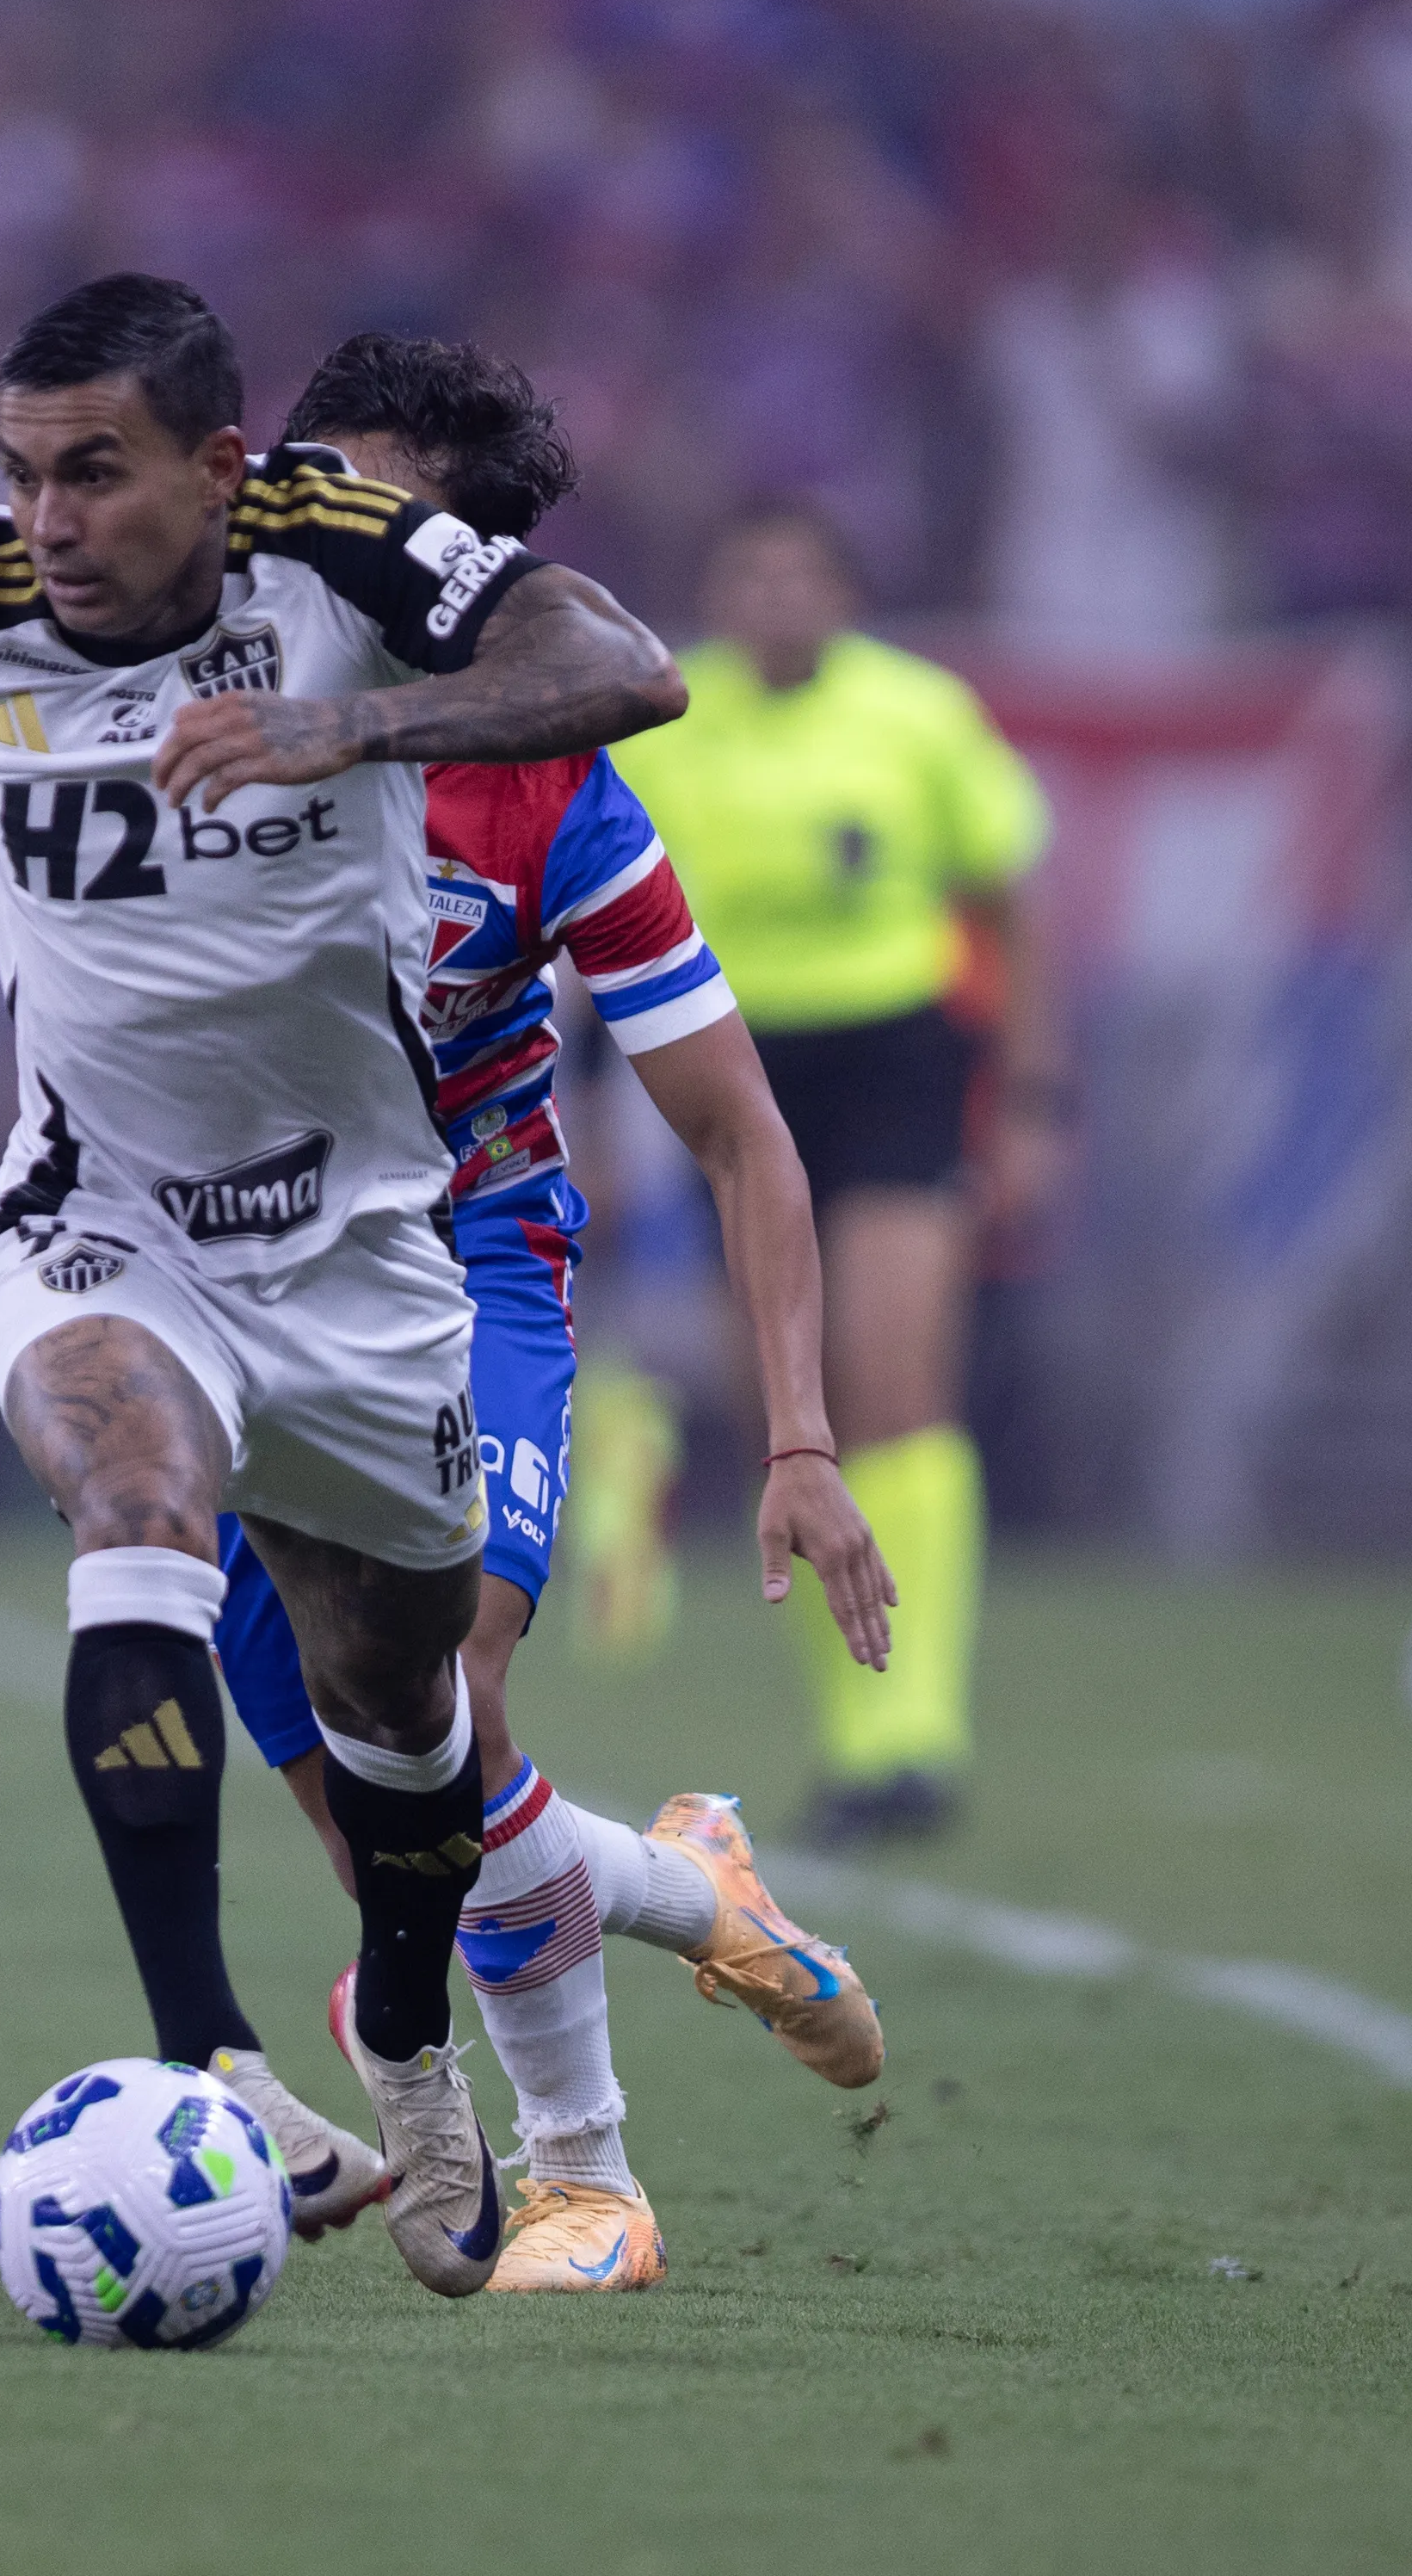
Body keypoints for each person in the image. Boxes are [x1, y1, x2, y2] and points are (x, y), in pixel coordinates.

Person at [0, 274, 688, 2298]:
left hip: (356, 1258)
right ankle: (205, 2045)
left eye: (97, 474)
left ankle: (400, 2032)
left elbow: (622, 658)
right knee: (130, 1509)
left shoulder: (328, 552)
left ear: (221, 471)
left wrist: (344, 723)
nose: (47, 519)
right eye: (25, 470)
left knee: (407, 1716)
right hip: (95, 1216)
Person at [175, 335, 893, 2294]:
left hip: (461, 1269)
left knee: (447, 1709)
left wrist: (803, 1444)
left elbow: (742, 1139)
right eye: (302, 485)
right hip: (226, 1282)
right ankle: (689, 1888)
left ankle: (588, 2179)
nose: (310, 531)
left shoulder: (550, 787)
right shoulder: (191, 685)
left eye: (366, 507)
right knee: (393, 1826)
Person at [604, 509, 1060, 1844]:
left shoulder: (918, 716)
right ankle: (855, 1734)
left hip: (897, 1059)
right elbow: (604, 909)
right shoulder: (672, 718)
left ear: (847, 593)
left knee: (891, 1372)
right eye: (748, 574)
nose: (775, 596)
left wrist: (1033, 1096)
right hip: (735, 1079)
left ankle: (917, 1727)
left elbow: (1013, 904)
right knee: (783, 1404)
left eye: (801, 574)